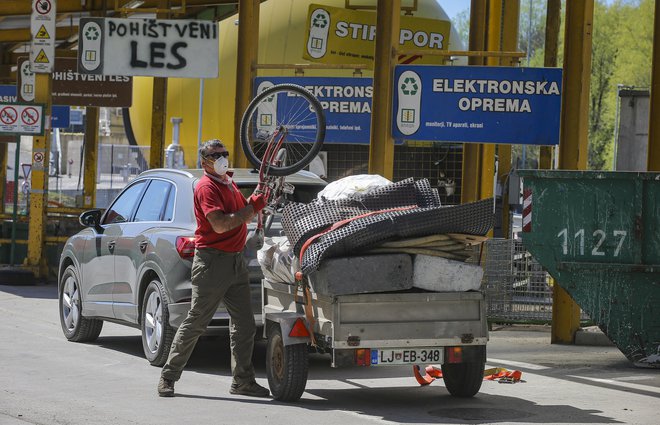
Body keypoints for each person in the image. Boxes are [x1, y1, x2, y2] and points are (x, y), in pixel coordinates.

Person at [157, 139, 269, 398]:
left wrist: (255, 200)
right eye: (215, 154)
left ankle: (242, 381)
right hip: (212, 263)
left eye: (224, 153)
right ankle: (168, 376)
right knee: (196, 321)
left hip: (234, 261)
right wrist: (253, 207)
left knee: (244, 324)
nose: (221, 157)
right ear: (204, 161)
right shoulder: (206, 187)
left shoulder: (227, 182)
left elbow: (242, 210)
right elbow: (219, 224)